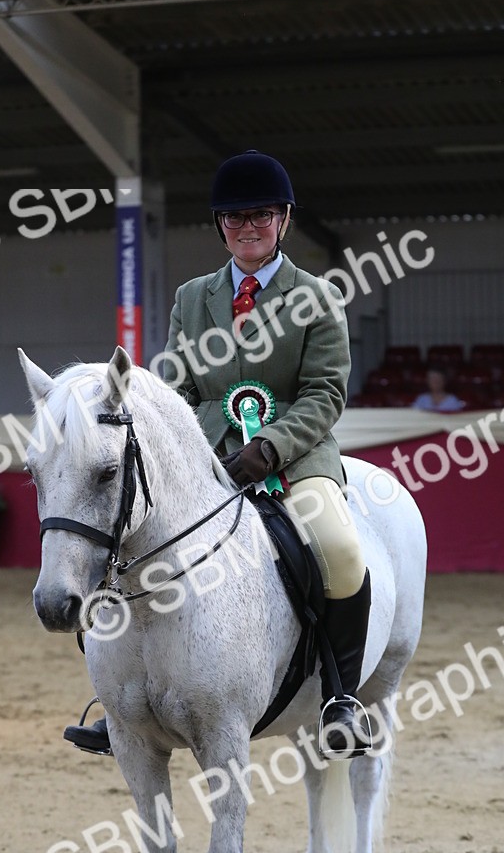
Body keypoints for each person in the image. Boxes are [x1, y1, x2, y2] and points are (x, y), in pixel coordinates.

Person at [65, 150, 372, 759]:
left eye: (261, 215)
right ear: (219, 225)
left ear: (284, 219)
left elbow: (325, 393)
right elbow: (176, 389)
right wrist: (181, 448)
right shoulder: (192, 298)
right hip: (205, 458)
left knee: (339, 550)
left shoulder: (316, 297)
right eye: (235, 217)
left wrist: (269, 447)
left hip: (295, 457)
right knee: (130, 544)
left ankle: (341, 697)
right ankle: (121, 700)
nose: (247, 227)